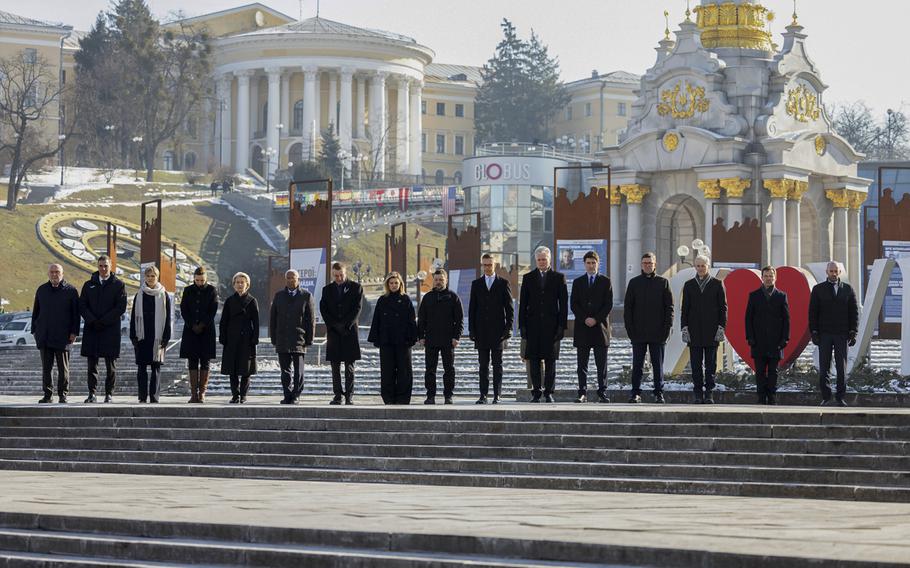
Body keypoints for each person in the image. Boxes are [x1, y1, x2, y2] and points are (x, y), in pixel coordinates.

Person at [518, 246, 568, 403]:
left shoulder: (559, 278)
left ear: (549, 260)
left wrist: (561, 326)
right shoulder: (527, 278)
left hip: (552, 326)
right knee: (533, 360)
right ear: (535, 260)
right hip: (532, 326)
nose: (541, 262)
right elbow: (523, 304)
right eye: (539, 259)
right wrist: (523, 326)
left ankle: (548, 392)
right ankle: (536, 392)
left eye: (544, 259)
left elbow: (564, 304)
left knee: (550, 360)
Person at [623, 252, 673, 403]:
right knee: (637, 365)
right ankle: (635, 393)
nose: (647, 265)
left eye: (650, 263)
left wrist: (666, 329)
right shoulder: (634, 283)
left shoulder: (663, 282)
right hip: (638, 333)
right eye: (645, 263)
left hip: (658, 333)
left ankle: (658, 393)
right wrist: (630, 330)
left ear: (655, 264)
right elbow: (628, 309)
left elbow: (669, 308)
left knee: (657, 365)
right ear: (641, 265)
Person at [809, 261, 859, 407]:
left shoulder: (848, 289)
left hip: (841, 334)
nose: (833, 273)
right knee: (824, 367)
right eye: (831, 271)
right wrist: (814, 331)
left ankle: (840, 397)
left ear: (839, 272)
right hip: (824, 334)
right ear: (827, 272)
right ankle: (826, 396)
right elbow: (813, 312)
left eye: (836, 271)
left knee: (841, 367)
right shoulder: (818, 289)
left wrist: (853, 331)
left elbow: (853, 313)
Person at [79, 255, 127, 403]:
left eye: (106, 266)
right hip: (92, 329)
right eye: (100, 266)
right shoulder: (88, 285)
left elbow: (120, 307)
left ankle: (108, 394)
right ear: (97, 266)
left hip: (110, 331)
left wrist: (104, 321)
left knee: (110, 366)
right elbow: (82, 305)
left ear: (110, 266)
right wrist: (93, 320)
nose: (103, 268)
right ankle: (91, 394)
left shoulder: (119, 285)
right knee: (92, 365)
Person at [680, 255, 727, 404]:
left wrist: (721, 328)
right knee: (695, 364)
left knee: (710, 365)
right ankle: (698, 393)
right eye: (698, 266)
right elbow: (685, 309)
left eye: (703, 265)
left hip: (711, 331)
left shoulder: (717, 284)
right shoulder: (689, 285)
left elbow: (723, 308)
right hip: (694, 332)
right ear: (695, 267)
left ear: (708, 266)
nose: (700, 268)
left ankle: (709, 393)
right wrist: (684, 328)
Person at [469, 253, 513, 404]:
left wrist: (508, 329)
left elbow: (510, 309)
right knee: (483, 365)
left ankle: (497, 395)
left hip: (498, 332)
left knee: (497, 365)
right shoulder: (476, 284)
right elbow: (472, 309)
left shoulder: (503, 283)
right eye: (485, 265)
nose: (487, 267)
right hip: (481, 332)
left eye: (489, 264)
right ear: (482, 265)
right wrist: (472, 330)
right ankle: (483, 395)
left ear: (495, 265)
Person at [32, 264, 80, 404]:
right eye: (52, 272)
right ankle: (47, 395)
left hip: (63, 336)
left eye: (57, 272)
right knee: (46, 368)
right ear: (48, 274)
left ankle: (63, 395)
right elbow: (36, 312)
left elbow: (75, 315)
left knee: (62, 368)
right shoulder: (42, 290)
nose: (54, 274)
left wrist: (74, 332)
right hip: (45, 335)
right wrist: (35, 331)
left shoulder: (71, 291)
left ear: (62, 273)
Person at [570, 250, 613, 403]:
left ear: (598, 263)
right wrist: (585, 318)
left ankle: (602, 392)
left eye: (593, 263)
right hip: (583, 328)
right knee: (582, 364)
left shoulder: (606, 281)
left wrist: (595, 319)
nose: (591, 265)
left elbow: (608, 304)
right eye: (588, 263)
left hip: (600, 328)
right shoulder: (578, 282)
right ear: (584, 264)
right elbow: (573, 304)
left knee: (601, 364)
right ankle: (582, 393)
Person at [368, 272, 417, 404]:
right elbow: (376, 320)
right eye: (391, 283)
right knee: (387, 370)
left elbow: (412, 321)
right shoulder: (382, 300)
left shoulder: (406, 299)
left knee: (404, 370)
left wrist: (412, 338)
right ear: (387, 284)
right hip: (387, 341)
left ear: (400, 284)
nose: (394, 285)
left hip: (403, 341)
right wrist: (376, 338)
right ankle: (388, 398)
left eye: (396, 283)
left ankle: (403, 398)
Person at [418, 269, 464, 405]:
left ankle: (448, 395)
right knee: (430, 369)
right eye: (436, 280)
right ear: (433, 280)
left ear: (446, 280)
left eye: (441, 280)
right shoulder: (427, 297)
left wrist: (457, 337)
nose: (438, 282)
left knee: (449, 369)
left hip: (448, 340)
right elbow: (421, 319)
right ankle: (430, 396)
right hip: (431, 339)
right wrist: (421, 336)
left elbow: (459, 320)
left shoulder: (453, 297)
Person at [745, 266, 790, 405]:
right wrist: (750, 337)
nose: (769, 278)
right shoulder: (754, 295)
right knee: (759, 371)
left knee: (773, 372)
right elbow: (748, 318)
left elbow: (786, 319)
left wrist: (785, 339)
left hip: (776, 341)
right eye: (766, 276)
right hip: (758, 341)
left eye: (771, 276)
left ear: (775, 278)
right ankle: (761, 397)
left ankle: (772, 397)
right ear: (762, 277)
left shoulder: (781, 296)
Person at [270, 269, 315, 404]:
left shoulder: (306, 296)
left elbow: (310, 320)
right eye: (288, 278)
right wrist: (274, 338)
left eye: (293, 278)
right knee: (285, 371)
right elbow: (273, 319)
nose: (291, 280)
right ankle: (287, 394)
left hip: (299, 338)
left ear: (298, 279)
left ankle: (296, 395)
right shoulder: (278, 296)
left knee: (298, 371)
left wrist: (309, 339)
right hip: (282, 339)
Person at [321, 262, 364, 405]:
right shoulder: (327, 290)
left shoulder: (356, 288)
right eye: (336, 275)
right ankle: (337, 395)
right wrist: (334, 325)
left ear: (346, 273)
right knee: (335, 366)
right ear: (332, 274)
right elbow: (324, 309)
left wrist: (346, 325)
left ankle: (349, 396)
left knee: (349, 367)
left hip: (349, 332)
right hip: (333, 332)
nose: (338, 278)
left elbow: (357, 309)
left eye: (341, 275)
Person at [129, 265, 172, 403]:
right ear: (144, 277)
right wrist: (133, 336)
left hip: (157, 336)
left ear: (157, 277)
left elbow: (168, 317)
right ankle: (142, 397)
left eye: (153, 276)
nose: (150, 278)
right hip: (142, 336)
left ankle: (154, 397)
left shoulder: (163, 294)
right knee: (141, 368)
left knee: (156, 368)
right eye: (148, 276)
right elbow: (133, 316)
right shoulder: (139, 294)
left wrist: (166, 336)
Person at [179, 266, 219, 403]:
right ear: (194, 278)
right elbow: (184, 309)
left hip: (206, 331)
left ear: (206, 278)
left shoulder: (212, 290)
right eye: (197, 280)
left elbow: (212, 310)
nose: (200, 283)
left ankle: (202, 393)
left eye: (202, 280)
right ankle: (193, 394)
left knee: (205, 361)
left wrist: (202, 324)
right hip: (191, 331)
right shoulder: (188, 290)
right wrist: (192, 324)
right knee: (192, 361)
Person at [220, 272, 259, 404]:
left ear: (247, 285)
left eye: (242, 282)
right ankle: (235, 395)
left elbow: (256, 322)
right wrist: (223, 336)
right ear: (233, 285)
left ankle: (243, 394)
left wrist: (255, 338)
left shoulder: (252, 301)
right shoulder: (229, 301)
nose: (240, 284)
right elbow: (224, 321)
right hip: (232, 338)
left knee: (246, 369)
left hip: (247, 339)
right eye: (237, 282)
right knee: (233, 368)